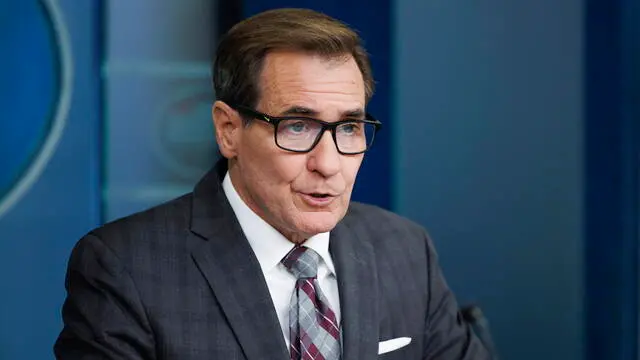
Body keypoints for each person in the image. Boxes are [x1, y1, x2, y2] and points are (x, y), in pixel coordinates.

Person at [54, 8, 489, 360]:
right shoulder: (124, 267)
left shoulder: (405, 249)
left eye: (350, 127)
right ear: (228, 130)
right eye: (297, 127)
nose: (329, 164)